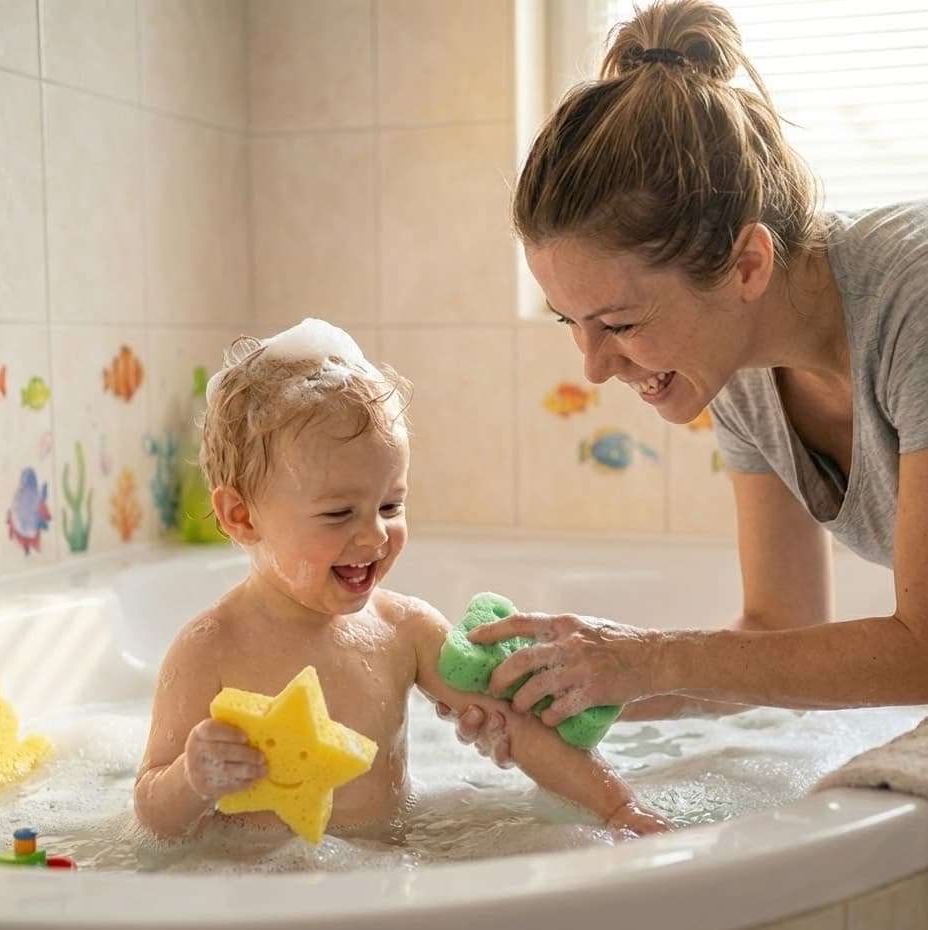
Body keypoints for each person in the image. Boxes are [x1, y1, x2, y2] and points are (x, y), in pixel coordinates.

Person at [443, 0, 928, 765]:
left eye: (621, 325)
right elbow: (778, 628)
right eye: (569, 323)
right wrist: (569, 683)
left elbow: (922, 652)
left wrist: (648, 656)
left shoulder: (915, 301)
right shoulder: (734, 365)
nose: (595, 367)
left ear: (747, 264)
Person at [133, 318, 671, 841]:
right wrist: (191, 779)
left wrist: (617, 805)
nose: (373, 536)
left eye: (391, 504)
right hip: (261, 883)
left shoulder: (403, 630)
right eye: (339, 514)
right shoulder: (211, 649)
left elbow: (521, 729)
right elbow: (154, 814)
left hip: (386, 864)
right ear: (241, 516)